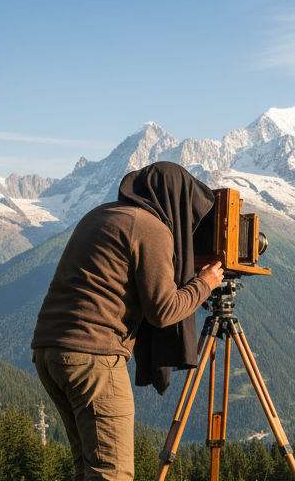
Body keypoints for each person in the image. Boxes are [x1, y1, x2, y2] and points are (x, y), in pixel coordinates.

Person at [31, 162, 224, 480]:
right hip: (92, 358)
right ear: (176, 201)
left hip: (49, 352)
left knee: (88, 469)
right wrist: (204, 283)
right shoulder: (151, 228)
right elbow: (162, 311)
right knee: (112, 473)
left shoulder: (101, 214)